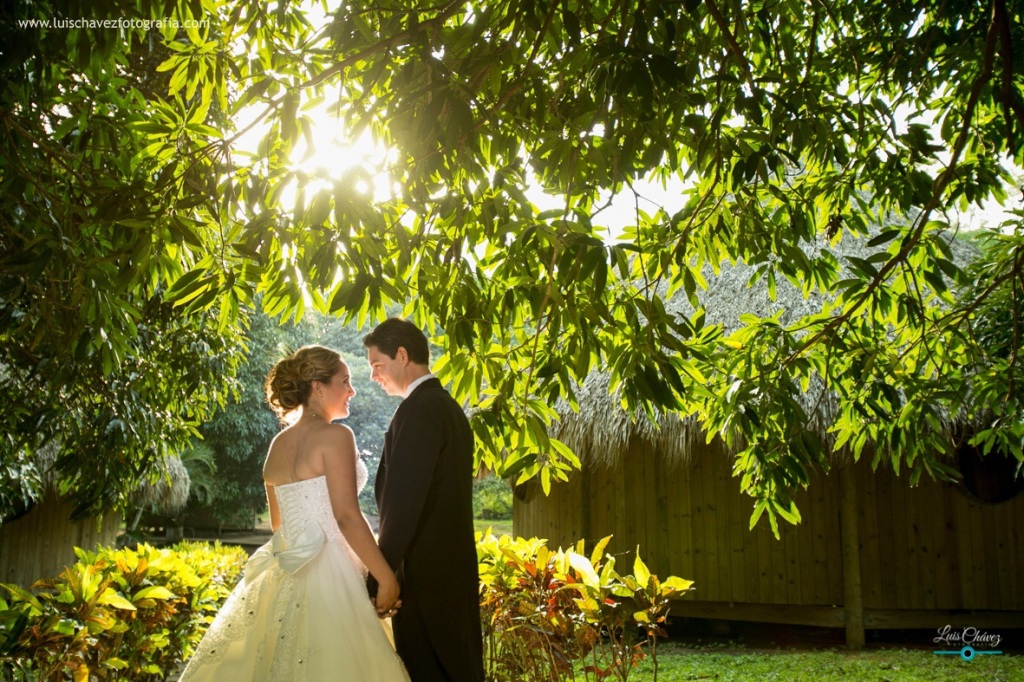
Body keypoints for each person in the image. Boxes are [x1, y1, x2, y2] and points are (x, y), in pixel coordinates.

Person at [178, 345, 410, 682]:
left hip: (284, 566)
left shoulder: (278, 445)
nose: (352, 390)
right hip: (334, 573)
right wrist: (387, 578)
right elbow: (346, 516)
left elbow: (278, 524)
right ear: (318, 387)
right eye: (344, 381)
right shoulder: (337, 436)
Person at [363, 319, 485, 682]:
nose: (373, 376)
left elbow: (403, 507)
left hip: (427, 583)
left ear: (402, 355)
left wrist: (377, 582)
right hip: (448, 575)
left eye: (376, 365)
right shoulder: (443, 406)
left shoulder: (421, 410)